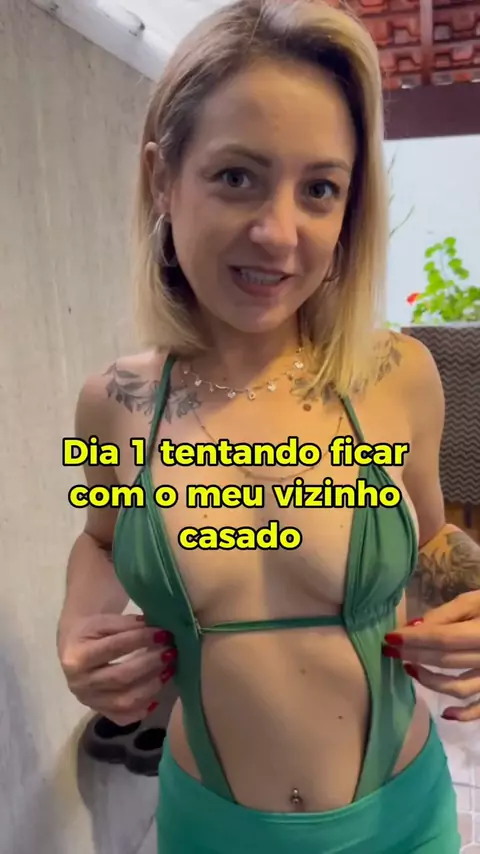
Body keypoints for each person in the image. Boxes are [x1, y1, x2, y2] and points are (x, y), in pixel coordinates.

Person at [57, 1, 480, 851]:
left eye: (319, 188)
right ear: (163, 178)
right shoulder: (113, 404)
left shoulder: (397, 377)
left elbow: (433, 540)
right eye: (237, 176)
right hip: (209, 827)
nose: (278, 234)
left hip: (403, 820)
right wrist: (76, 626)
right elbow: (101, 538)